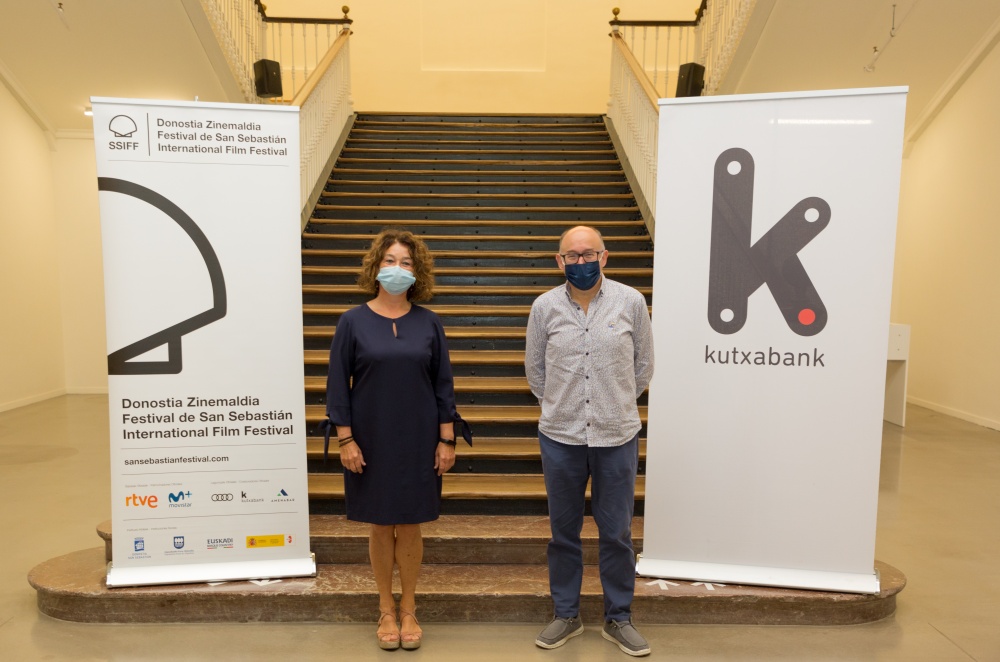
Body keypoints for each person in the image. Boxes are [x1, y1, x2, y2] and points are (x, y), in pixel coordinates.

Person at [323, 228, 470, 651]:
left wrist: (447, 440)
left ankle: (409, 608)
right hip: (370, 437)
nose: (397, 269)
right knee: (380, 522)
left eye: (406, 262)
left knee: (409, 522)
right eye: (389, 260)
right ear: (375, 267)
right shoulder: (352, 321)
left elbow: (443, 383)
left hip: (419, 438)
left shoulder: (429, 322)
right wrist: (346, 440)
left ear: (417, 272)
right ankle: (385, 607)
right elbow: (337, 385)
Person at [525, 225, 654, 657]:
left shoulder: (631, 302)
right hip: (560, 437)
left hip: (616, 435)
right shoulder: (544, 307)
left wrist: (613, 402)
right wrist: (563, 405)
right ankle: (567, 614)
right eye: (572, 255)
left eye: (588, 253)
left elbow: (643, 366)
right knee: (563, 532)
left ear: (604, 256)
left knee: (616, 532)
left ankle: (619, 618)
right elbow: (535, 372)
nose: (581, 262)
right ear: (559, 261)